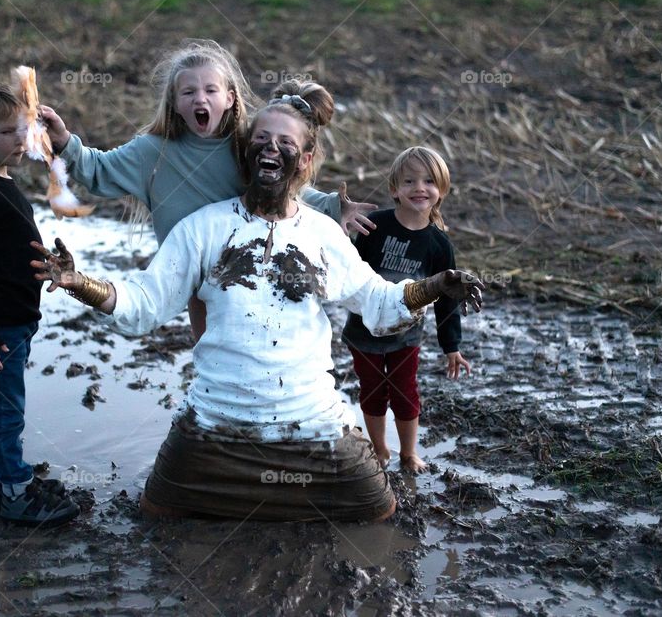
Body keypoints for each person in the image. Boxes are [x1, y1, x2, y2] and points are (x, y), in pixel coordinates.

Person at [32, 80, 484, 522]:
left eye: (285, 142)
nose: (271, 147)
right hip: (214, 431)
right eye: (261, 139)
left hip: (313, 430)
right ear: (246, 154)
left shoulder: (323, 234)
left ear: (305, 161)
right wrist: (79, 283)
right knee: (157, 511)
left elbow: (380, 304)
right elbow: (145, 302)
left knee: (377, 507)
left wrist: (437, 285)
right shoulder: (202, 228)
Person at [37, 39, 376, 340]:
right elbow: (96, 171)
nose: (201, 98)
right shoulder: (152, 153)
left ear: (229, 98)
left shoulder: (245, 145)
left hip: (250, 265)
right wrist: (64, 140)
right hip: (196, 276)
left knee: (260, 345)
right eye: (189, 92)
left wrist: (334, 207)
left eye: (211, 91)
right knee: (212, 353)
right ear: (175, 101)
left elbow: (284, 192)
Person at [0, 74, 79, 526]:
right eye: (6, 133)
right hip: (0, 329)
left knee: (7, 406)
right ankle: (14, 494)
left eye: (20, 130)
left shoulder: (4, 183)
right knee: (5, 410)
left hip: (19, 321)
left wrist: (49, 262)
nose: (18, 139)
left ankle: (9, 481)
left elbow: (11, 249)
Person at [342, 146, 469, 473]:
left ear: (441, 191)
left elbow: (447, 297)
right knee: (372, 390)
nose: (419, 188)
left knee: (404, 392)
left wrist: (451, 346)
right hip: (364, 330)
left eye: (429, 181)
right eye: (409, 180)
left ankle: (408, 453)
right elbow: (352, 273)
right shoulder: (374, 225)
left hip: (407, 335)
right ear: (394, 189)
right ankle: (380, 450)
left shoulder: (439, 244)